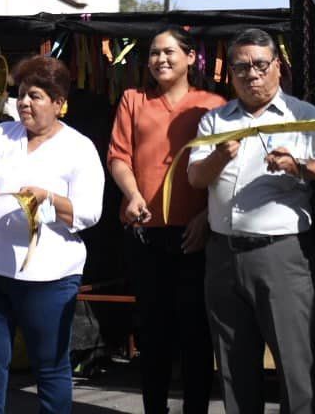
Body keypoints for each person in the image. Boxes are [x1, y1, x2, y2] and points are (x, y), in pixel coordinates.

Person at [186, 28, 315, 414]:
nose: (252, 74)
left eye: (260, 65)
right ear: (230, 73)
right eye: (242, 67)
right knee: (233, 366)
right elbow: (196, 178)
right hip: (223, 256)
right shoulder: (216, 121)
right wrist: (219, 157)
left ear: (277, 68)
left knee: (295, 365)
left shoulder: (303, 116)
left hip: (281, 256)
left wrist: (301, 166)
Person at [0, 55, 103, 414]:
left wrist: (48, 198)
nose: (23, 102)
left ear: (58, 103)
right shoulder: (1, 134)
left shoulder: (79, 148)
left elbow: (89, 211)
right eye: (21, 94)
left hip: (47, 277)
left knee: (50, 368)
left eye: (35, 95)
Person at [106, 26, 223, 414]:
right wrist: (133, 194)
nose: (160, 59)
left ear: (191, 57)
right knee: (153, 333)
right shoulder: (133, 99)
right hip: (145, 232)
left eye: (169, 52)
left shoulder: (213, 103)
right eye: (154, 53)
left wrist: (207, 216)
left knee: (195, 333)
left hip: (197, 234)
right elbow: (119, 156)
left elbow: (230, 170)